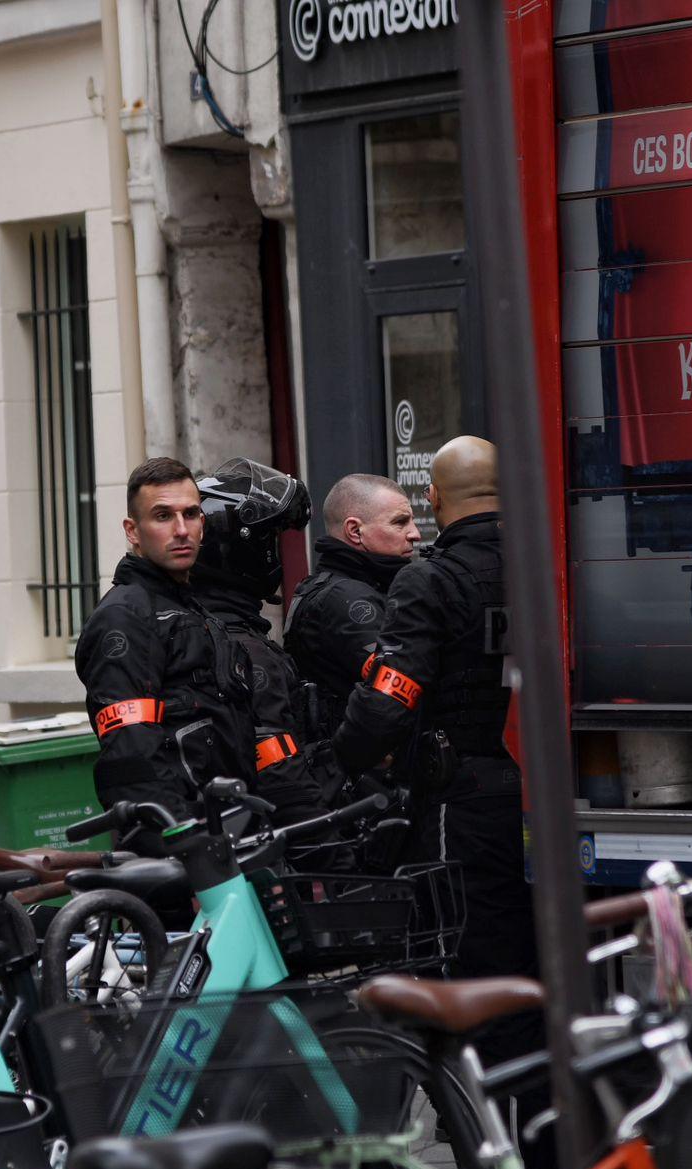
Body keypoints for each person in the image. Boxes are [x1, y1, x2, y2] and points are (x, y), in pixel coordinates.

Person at [332, 437, 534, 1057]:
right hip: (548, 797)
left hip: (463, 806)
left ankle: (490, 1124)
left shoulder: (429, 580)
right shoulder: (545, 561)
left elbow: (388, 700)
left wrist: (344, 759)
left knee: (474, 966)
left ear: (435, 498)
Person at [75, 458, 263, 820]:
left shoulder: (195, 610)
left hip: (227, 828)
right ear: (133, 531)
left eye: (190, 515)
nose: (181, 530)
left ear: (203, 526)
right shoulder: (126, 615)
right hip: (183, 842)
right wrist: (178, 835)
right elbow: (129, 753)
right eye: (163, 516)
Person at [187, 458, 328, 821]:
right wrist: (334, 854)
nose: (274, 553)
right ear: (240, 550)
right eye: (268, 542)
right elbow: (284, 782)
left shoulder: (203, 627)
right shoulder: (244, 650)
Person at [286, 474, 421, 738]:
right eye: (400, 522)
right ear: (355, 531)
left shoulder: (337, 588)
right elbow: (394, 693)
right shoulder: (347, 599)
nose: (414, 534)